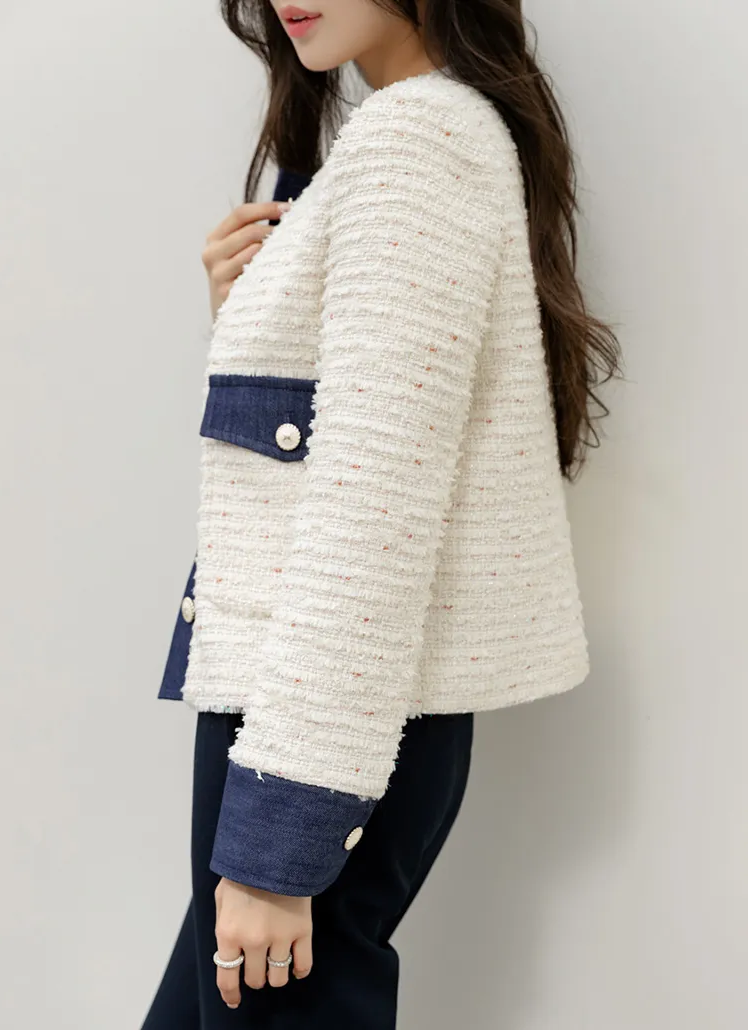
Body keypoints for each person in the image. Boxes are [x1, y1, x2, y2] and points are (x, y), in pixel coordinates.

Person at [141, 1, 622, 1027]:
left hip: (314, 726)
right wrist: (252, 315)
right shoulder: (416, 133)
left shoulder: (416, 140)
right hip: (320, 710)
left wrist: (278, 844)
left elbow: (372, 511)